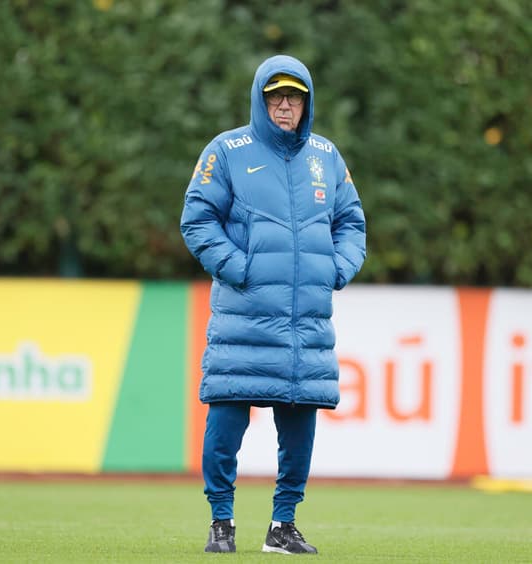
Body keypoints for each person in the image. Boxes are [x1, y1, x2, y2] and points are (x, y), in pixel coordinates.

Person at [180, 54, 366, 555]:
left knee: (300, 427)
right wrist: (239, 268)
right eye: (276, 96)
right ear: (261, 101)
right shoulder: (227, 150)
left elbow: (352, 222)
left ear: (307, 103)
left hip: (305, 324)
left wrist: (337, 268)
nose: (285, 105)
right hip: (243, 317)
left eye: (295, 97)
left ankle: (283, 526)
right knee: (225, 422)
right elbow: (197, 219)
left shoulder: (326, 156)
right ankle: (221, 520)